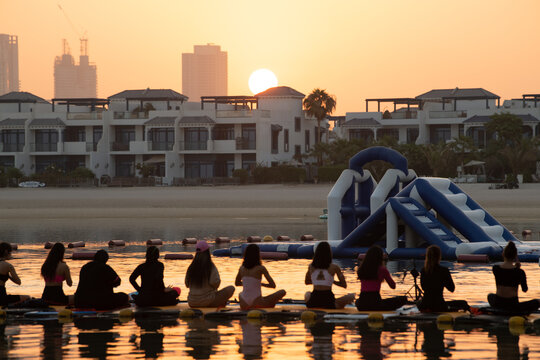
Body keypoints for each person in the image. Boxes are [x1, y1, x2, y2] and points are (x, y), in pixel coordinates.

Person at [487, 241, 540, 314]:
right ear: (515, 256)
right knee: (537, 302)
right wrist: (518, 268)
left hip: (498, 303)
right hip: (513, 306)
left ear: (503, 254)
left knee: (490, 296)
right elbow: (525, 289)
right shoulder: (520, 272)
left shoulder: (495, 268)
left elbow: (506, 275)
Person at [418, 245, 469, 312]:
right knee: (463, 303)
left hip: (425, 304)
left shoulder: (423, 270)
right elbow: (452, 289)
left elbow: (424, 287)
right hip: (439, 305)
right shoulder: (443, 270)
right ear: (439, 256)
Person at [304, 241, 355, 309]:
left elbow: (307, 282)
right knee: (352, 296)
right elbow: (344, 285)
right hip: (329, 303)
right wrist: (332, 281)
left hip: (313, 302)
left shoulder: (311, 266)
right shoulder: (334, 267)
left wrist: (318, 282)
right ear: (329, 253)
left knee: (307, 293)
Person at [235, 244, 286, 310]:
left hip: (243, 302)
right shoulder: (261, 268)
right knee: (282, 292)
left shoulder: (241, 268)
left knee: (241, 294)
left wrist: (248, 284)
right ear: (258, 255)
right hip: (257, 302)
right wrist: (261, 284)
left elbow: (237, 283)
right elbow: (273, 285)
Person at [355, 245, 407, 311]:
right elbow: (393, 286)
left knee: (357, 301)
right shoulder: (382, 270)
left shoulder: (361, 269)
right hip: (376, 305)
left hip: (362, 305)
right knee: (403, 299)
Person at [185, 240, 235, 308]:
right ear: (207, 252)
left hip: (191, 302)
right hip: (207, 301)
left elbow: (187, 284)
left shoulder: (191, 267)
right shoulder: (210, 266)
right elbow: (215, 283)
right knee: (231, 288)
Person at [0, 242, 29, 306]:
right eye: (10, 252)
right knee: (27, 297)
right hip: (1, 297)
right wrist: (8, 276)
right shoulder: (8, 266)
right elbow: (18, 282)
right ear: (6, 252)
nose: (11, 254)